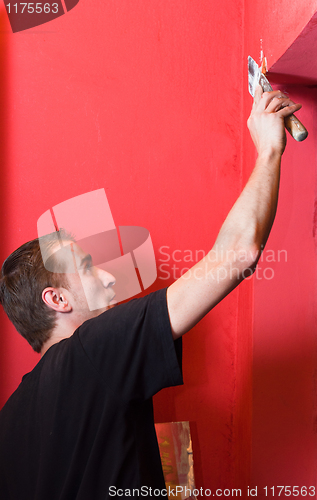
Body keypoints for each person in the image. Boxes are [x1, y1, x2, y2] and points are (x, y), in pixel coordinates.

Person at [0, 87, 302, 499]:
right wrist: (269, 149)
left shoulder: (10, 419)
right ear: (57, 299)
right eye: (87, 268)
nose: (109, 279)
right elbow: (238, 253)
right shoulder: (93, 351)